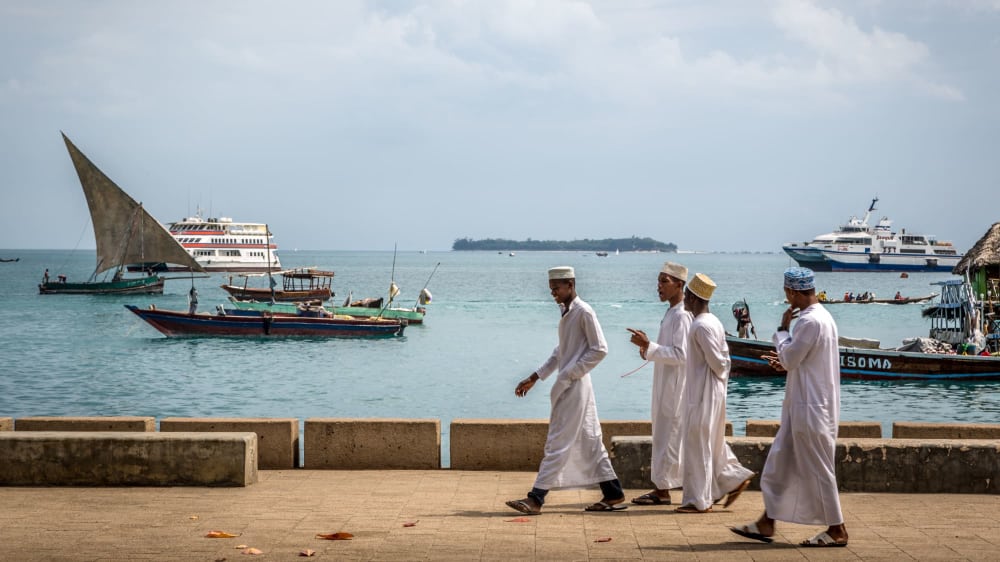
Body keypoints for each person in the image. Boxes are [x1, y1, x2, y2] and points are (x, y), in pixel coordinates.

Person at [731, 267, 849, 547]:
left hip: (811, 408)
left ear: (794, 292)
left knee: (819, 469)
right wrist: (786, 357)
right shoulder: (823, 318)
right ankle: (766, 522)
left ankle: (837, 529)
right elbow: (799, 361)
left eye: (787, 293)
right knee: (779, 464)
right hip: (807, 404)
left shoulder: (808, 322)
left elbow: (790, 359)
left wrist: (782, 331)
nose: (787, 298)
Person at [506, 266, 626, 515]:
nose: (553, 294)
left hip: (575, 385)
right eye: (551, 289)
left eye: (557, 289)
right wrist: (534, 377)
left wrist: (572, 372)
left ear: (570, 284)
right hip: (572, 384)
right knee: (591, 441)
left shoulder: (584, 312)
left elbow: (600, 349)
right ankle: (613, 493)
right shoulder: (566, 312)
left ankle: (536, 498)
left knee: (557, 441)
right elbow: (560, 352)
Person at [675, 273, 754, 514]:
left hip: (704, 391)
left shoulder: (701, 325)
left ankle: (699, 500)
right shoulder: (713, 322)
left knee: (698, 442)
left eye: (687, 295)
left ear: (693, 297)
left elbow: (719, 363)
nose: (684, 300)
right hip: (709, 390)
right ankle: (733, 479)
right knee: (709, 441)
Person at [625, 262, 691, 506]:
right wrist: (648, 349)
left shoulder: (682, 315)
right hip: (665, 384)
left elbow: (681, 354)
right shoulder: (672, 312)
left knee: (670, 438)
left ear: (679, 285)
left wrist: (648, 346)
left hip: (675, 387)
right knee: (664, 436)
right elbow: (667, 350)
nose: (659, 287)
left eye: (664, 281)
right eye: (658, 281)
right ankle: (661, 489)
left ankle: (664, 490)